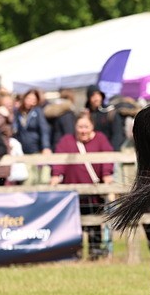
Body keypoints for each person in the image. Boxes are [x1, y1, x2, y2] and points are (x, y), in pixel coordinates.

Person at [50, 113, 115, 260]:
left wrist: (106, 174)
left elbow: (107, 157)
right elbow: (59, 161)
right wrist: (56, 175)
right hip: (73, 195)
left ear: (92, 126)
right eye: (80, 127)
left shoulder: (100, 139)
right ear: (75, 127)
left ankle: (95, 254)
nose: (83, 130)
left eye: (86, 126)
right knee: (74, 225)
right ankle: (74, 254)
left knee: (95, 225)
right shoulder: (67, 141)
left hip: (94, 193)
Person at [86, 85, 124, 150]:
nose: (96, 98)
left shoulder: (110, 113)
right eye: (93, 95)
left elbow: (117, 134)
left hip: (109, 149)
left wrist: (112, 151)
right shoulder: (86, 114)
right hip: (91, 151)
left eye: (98, 95)